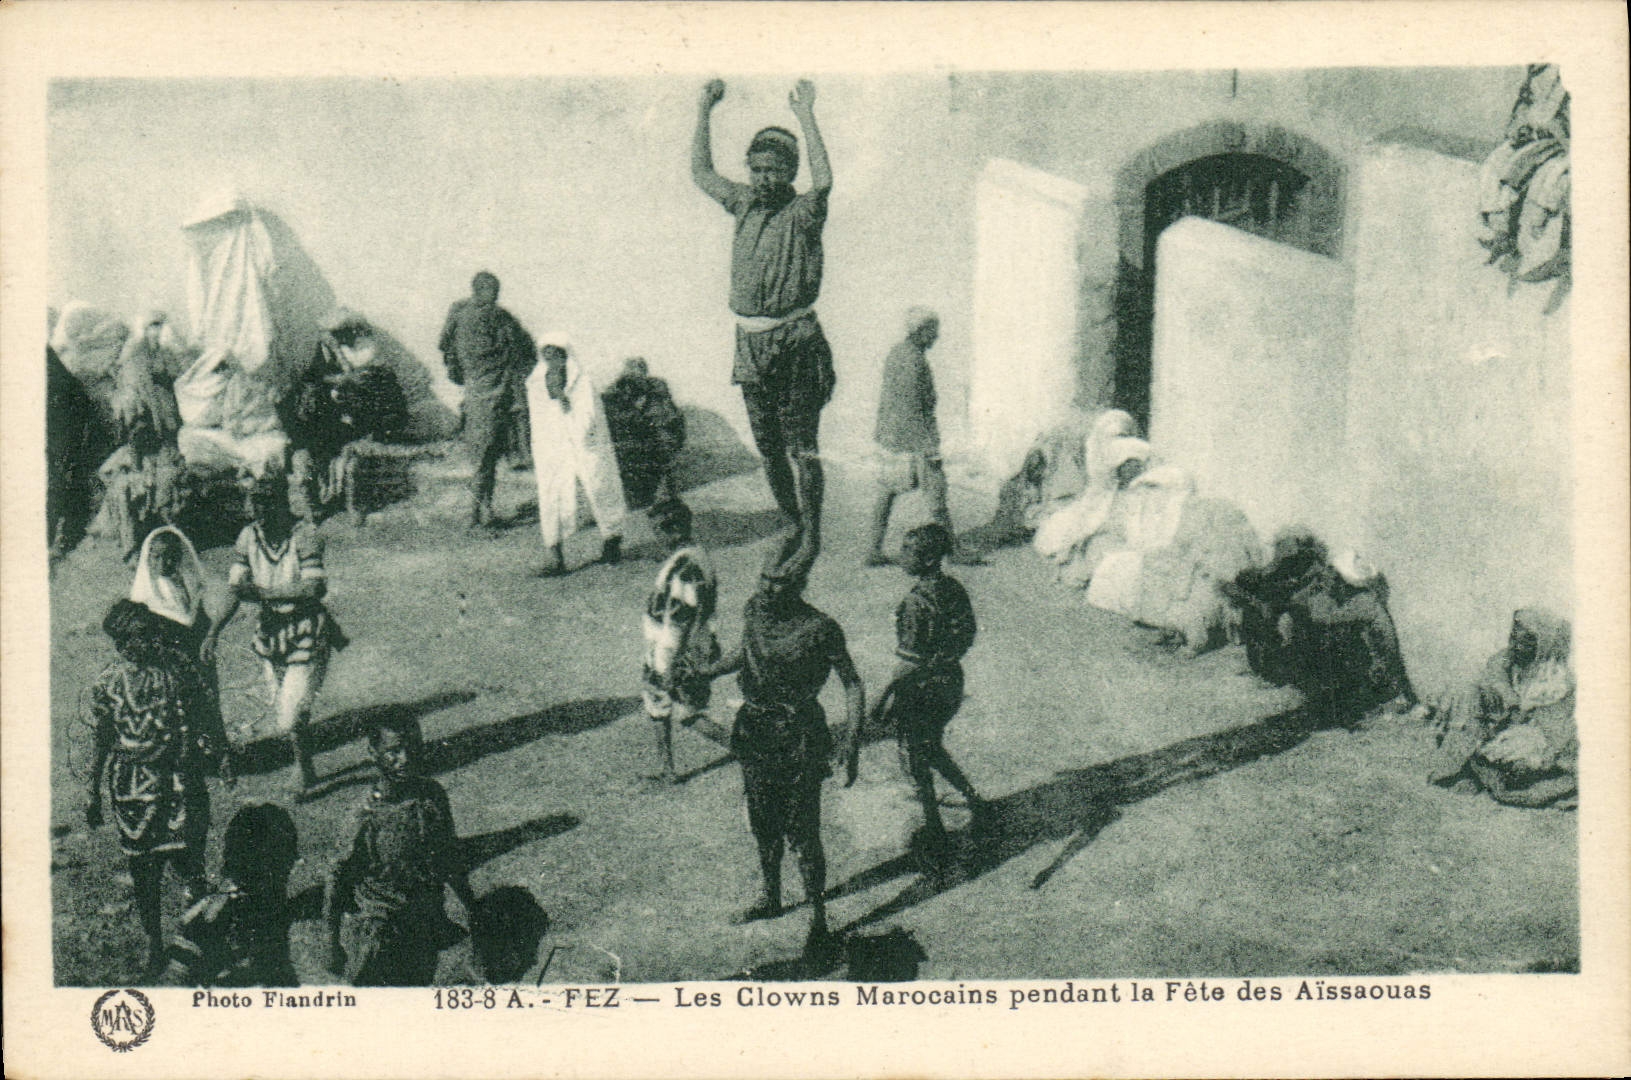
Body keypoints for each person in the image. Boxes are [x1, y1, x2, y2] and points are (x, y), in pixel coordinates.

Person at [693, 78, 835, 573]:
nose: (762, 177)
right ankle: (794, 521)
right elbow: (701, 171)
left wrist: (807, 116)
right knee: (769, 450)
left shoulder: (804, 212)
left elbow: (824, 181)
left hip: (796, 343)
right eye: (755, 169)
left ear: (788, 172)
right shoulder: (742, 204)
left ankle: (813, 534)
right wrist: (703, 111)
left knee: (803, 449)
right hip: (750, 345)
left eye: (773, 169)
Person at [699, 545, 864, 960]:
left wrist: (852, 742)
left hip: (798, 737)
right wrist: (709, 670)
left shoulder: (820, 628)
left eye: (782, 583)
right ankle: (770, 897)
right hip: (755, 731)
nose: (771, 589)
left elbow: (852, 683)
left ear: (801, 585)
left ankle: (819, 921)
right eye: (766, 579)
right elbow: (746, 651)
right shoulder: (754, 609)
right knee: (762, 821)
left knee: (804, 832)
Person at [85, 585, 232, 977]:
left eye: (150, 635)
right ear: (120, 644)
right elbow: (101, 737)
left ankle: (194, 941)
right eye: (135, 640)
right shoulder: (108, 683)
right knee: (144, 872)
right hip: (132, 788)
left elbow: (207, 711)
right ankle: (154, 943)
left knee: (190, 865)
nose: (146, 644)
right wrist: (92, 791)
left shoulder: (179, 666)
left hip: (181, 780)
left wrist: (221, 753)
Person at [860, 524, 992, 872]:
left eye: (908, 551)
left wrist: (878, 700)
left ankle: (935, 829)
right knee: (931, 746)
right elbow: (968, 634)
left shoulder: (916, 602)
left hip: (921, 689)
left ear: (929, 558)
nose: (901, 556)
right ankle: (973, 799)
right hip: (950, 681)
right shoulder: (953, 588)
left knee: (915, 756)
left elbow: (906, 665)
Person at [213, 473, 347, 799]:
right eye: (255, 501)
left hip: (307, 630)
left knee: (289, 713)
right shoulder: (248, 537)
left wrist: (262, 593)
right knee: (288, 709)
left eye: (267, 501)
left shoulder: (305, 535)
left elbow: (314, 587)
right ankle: (306, 766)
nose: (260, 509)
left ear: (282, 501)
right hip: (272, 634)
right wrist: (213, 631)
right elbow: (236, 588)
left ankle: (302, 771)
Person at [326, 714, 477, 986]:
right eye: (393, 752)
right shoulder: (363, 816)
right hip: (379, 932)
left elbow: (448, 859)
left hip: (425, 921)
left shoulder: (432, 796)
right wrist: (331, 943)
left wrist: (474, 909)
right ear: (373, 753)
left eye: (412, 748)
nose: (405, 759)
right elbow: (336, 879)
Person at [1430, 608, 1576, 808]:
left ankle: (1480, 774)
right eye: (1513, 637)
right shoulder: (1507, 659)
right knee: (1465, 692)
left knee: (1515, 763)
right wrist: (1511, 700)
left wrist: (1515, 716)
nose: (1516, 645)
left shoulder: (1555, 677)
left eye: (1526, 642)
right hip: (1503, 723)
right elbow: (1495, 674)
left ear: (1543, 645)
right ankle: (1450, 771)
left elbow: (1548, 727)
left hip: (1534, 735)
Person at [865, 308, 978, 567]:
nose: (937, 336)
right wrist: (929, 447)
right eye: (933, 330)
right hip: (914, 440)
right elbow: (912, 407)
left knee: (886, 492)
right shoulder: (913, 360)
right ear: (921, 331)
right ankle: (954, 552)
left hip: (892, 437)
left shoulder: (899, 353)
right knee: (937, 495)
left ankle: (873, 549)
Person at [286, 311, 411, 520]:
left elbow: (360, 385)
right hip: (335, 422)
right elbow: (315, 384)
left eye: (337, 333)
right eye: (331, 334)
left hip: (364, 422)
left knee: (349, 461)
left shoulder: (367, 353)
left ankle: (353, 507)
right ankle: (315, 508)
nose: (333, 338)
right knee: (305, 458)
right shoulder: (326, 356)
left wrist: (339, 375)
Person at [438, 272, 536, 527]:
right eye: (488, 290)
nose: (493, 295)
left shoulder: (493, 316)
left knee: (490, 453)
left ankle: (485, 510)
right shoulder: (470, 316)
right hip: (483, 392)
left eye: (495, 290)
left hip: (499, 391)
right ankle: (476, 513)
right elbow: (522, 349)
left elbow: (524, 347)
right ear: (476, 290)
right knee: (483, 454)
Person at [165, 802, 299, 987]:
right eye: (286, 861)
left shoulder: (267, 905)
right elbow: (173, 990)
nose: (291, 866)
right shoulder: (213, 915)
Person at [525, 338, 627, 575]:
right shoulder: (536, 383)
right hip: (553, 446)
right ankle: (555, 556)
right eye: (546, 354)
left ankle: (612, 543)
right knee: (553, 494)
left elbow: (588, 416)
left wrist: (569, 412)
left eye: (555, 353)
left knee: (601, 486)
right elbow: (539, 418)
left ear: (564, 354)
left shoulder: (581, 382)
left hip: (586, 444)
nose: (551, 359)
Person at [640, 498, 721, 783]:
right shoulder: (696, 555)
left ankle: (749, 749)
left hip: (674, 650)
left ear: (671, 530)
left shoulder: (685, 567)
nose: (656, 538)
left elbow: (678, 621)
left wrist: (665, 664)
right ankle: (668, 768)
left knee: (680, 710)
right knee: (685, 710)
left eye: (657, 531)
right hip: (692, 646)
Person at [1285, 550, 1415, 725]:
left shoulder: (1362, 601)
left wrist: (1315, 590)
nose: (1328, 574)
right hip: (1379, 665)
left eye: (1333, 572)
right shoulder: (1363, 598)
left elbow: (1320, 617)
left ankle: (1367, 702)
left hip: (1380, 669)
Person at [1223, 525, 1332, 686]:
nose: (1280, 549)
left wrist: (1273, 598)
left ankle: (1276, 673)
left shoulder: (1309, 562)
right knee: (1256, 615)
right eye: (1279, 545)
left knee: (1271, 620)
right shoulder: (1285, 562)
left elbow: (1306, 587)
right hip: (1282, 603)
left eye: (1283, 544)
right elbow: (1269, 576)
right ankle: (1265, 669)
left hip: (1299, 607)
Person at [602, 357, 687, 514]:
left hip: (659, 446)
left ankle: (667, 510)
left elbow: (671, 418)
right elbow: (616, 428)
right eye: (631, 371)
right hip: (634, 452)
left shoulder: (657, 390)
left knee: (663, 483)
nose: (636, 375)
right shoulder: (614, 396)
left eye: (639, 370)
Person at [97, 417, 189, 562]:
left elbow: (178, 466)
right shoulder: (126, 453)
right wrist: (121, 478)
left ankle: (168, 540)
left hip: (154, 495)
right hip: (131, 496)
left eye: (145, 434)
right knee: (124, 502)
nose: (142, 439)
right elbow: (104, 472)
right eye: (137, 435)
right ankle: (131, 548)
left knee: (164, 497)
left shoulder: (162, 450)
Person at [112, 309, 185, 444]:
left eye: (159, 326)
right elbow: (133, 375)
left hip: (159, 393)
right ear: (146, 328)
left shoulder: (164, 350)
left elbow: (176, 372)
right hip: (139, 394)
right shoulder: (135, 348)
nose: (156, 331)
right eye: (153, 326)